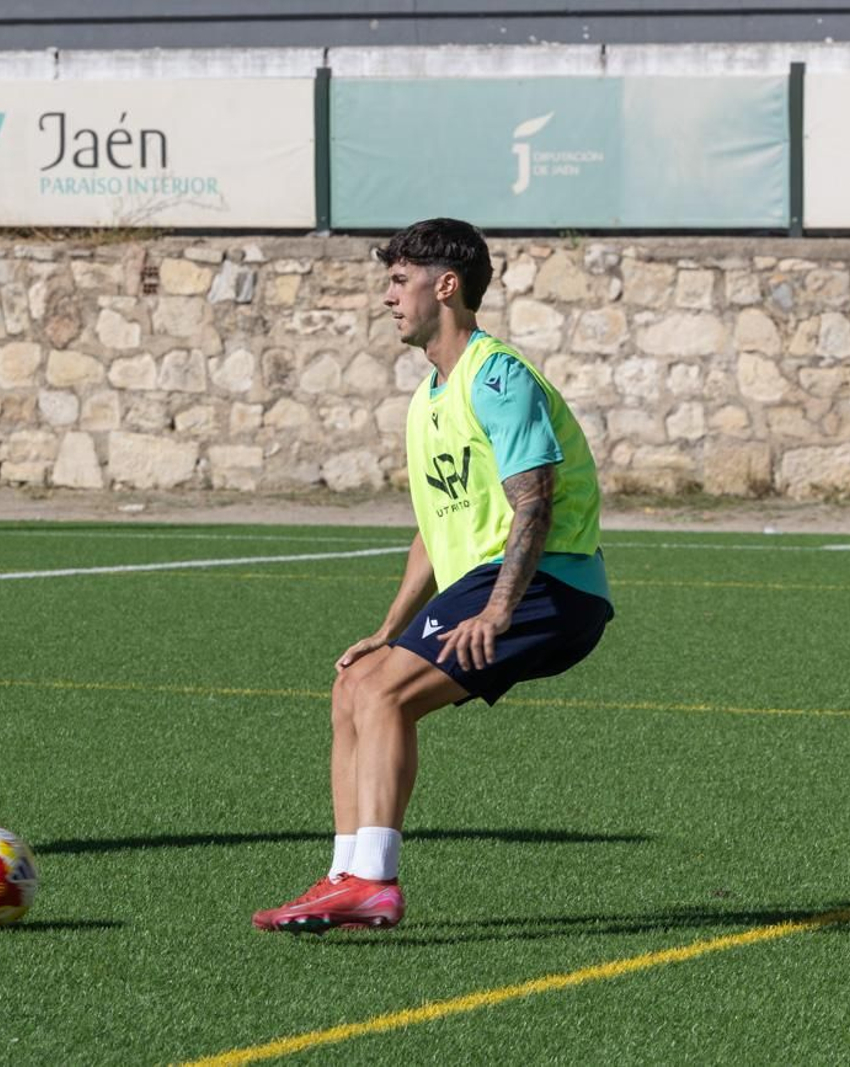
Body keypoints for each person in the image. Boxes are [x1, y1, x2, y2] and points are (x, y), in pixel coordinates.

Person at [252, 218, 613, 934]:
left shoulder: (497, 377)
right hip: (487, 584)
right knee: (355, 682)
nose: (387, 297)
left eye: (398, 279)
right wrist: (389, 626)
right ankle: (345, 875)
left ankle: (373, 882)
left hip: (552, 583)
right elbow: (436, 522)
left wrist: (501, 609)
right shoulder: (429, 399)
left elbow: (534, 500)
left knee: (385, 693)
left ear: (445, 286)